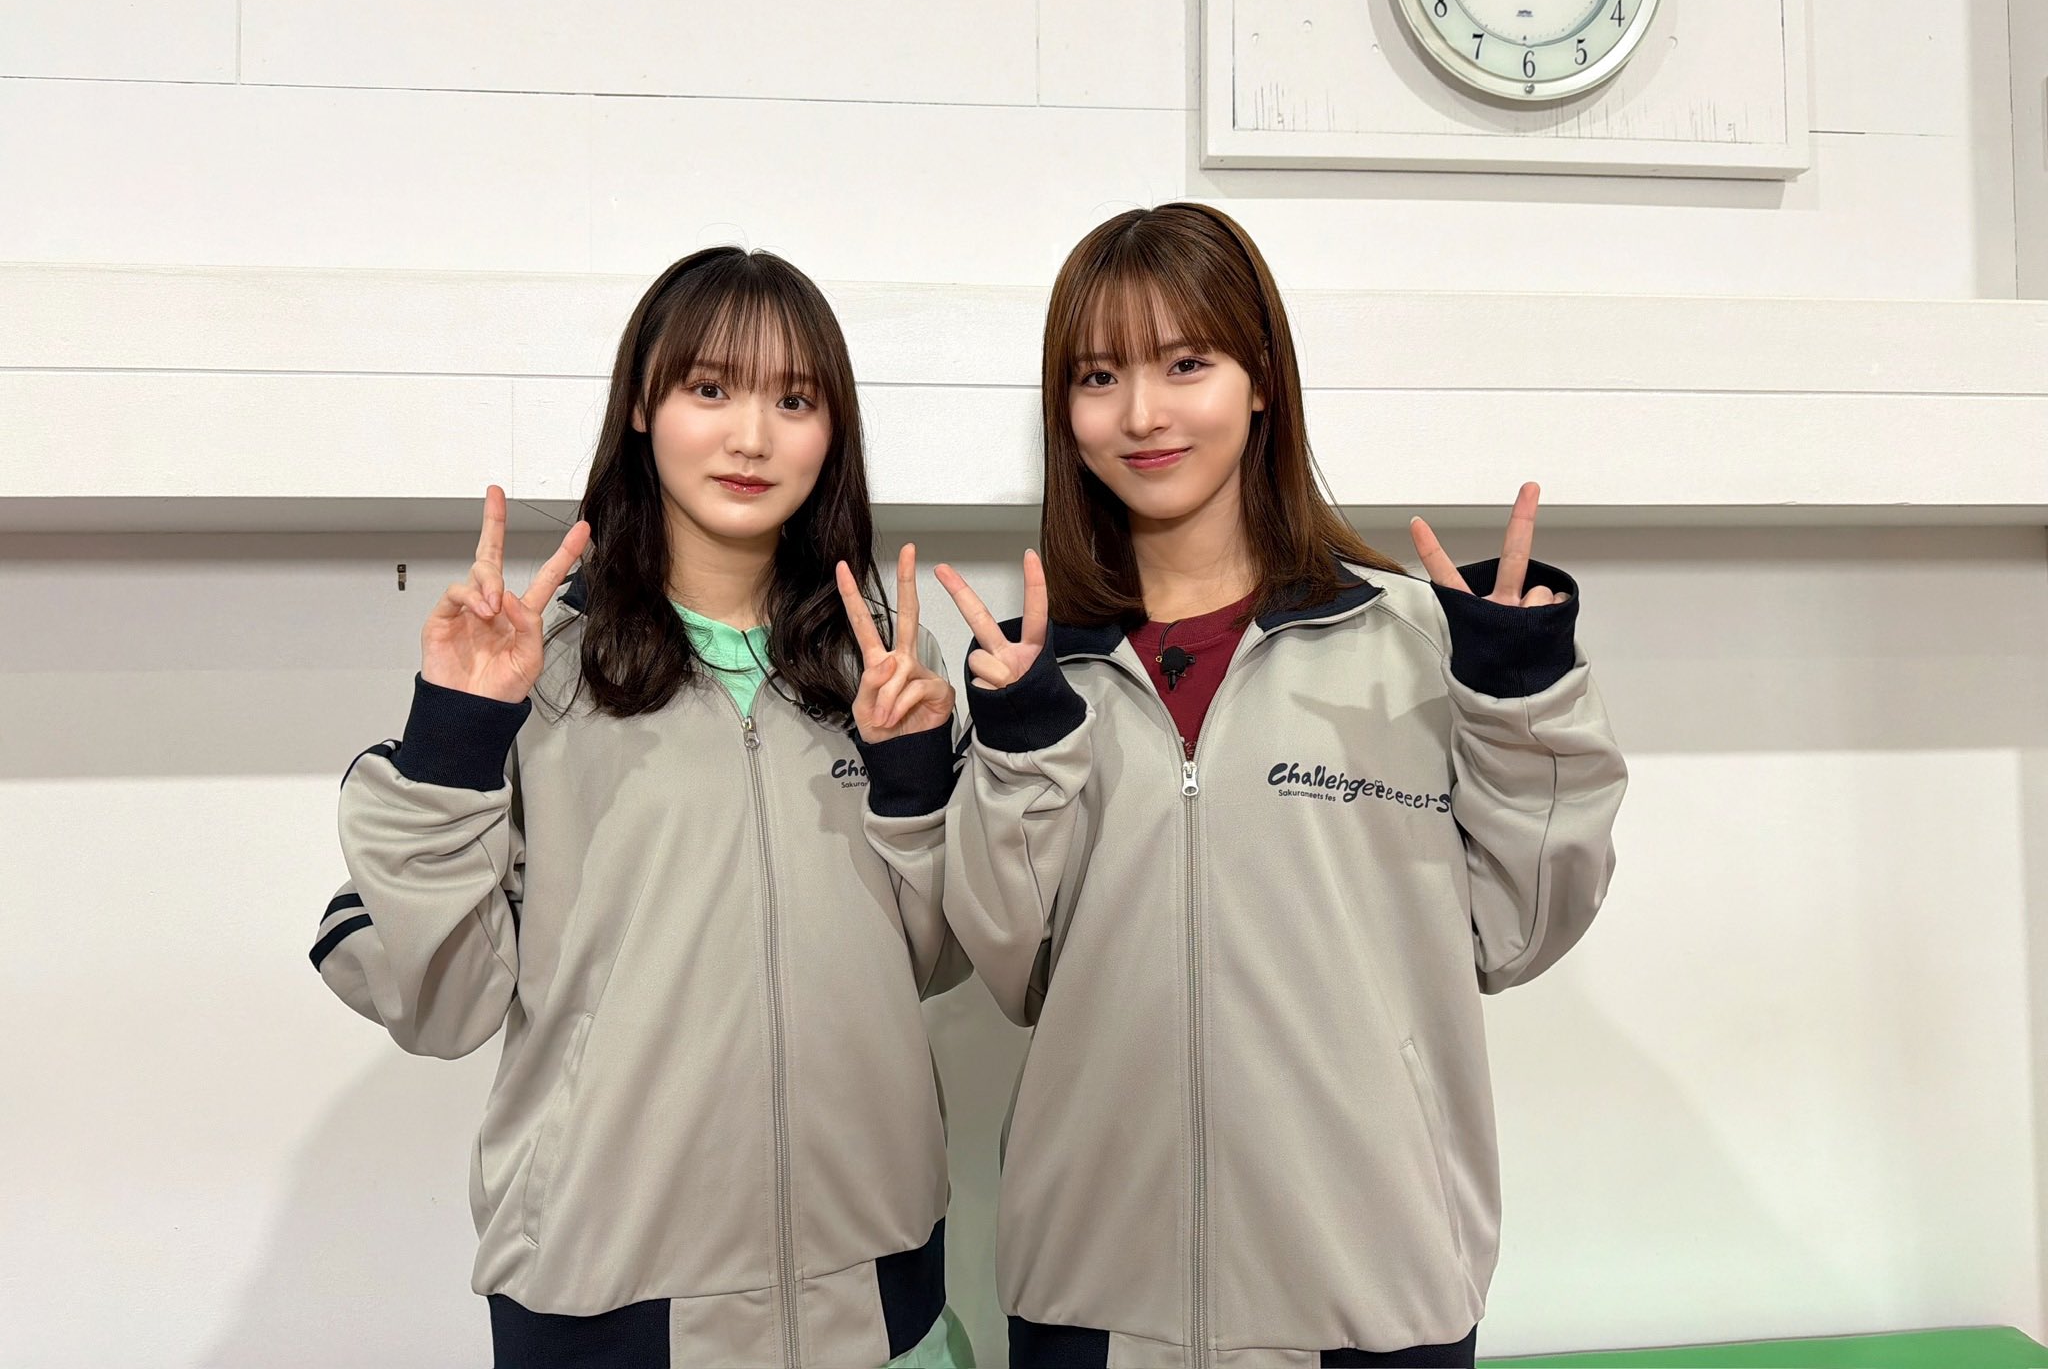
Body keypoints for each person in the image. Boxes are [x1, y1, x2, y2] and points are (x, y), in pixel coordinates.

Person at [934, 203, 1628, 1367]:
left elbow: (1519, 926)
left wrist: (1518, 699)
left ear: (1260, 379)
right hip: (1093, 1304)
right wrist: (1015, 742)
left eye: (1184, 364)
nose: (1141, 414)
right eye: (1099, 376)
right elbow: (1011, 964)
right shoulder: (1038, 673)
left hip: (1372, 1295)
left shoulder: (1413, 639)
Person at [309, 246, 974, 1368]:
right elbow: (441, 1005)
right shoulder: (537, 670)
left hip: (876, 1293)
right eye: (709, 389)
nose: (751, 437)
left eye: (793, 400)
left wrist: (913, 777)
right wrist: (454, 734)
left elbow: (937, 959)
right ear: (640, 407)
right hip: (610, 1304)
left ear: (833, 431)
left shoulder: (878, 665)